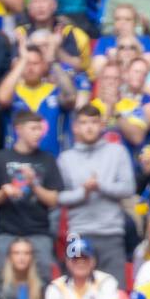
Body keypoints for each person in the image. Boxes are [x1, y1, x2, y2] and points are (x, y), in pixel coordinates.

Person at [0, 110, 63, 285]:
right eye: (33, 128)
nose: (39, 133)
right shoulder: (0, 158)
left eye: (40, 129)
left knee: (44, 275)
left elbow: (54, 200)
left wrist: (34, 184)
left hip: (39, 231)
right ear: (18, 129)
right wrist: (4, 192)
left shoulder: (48, 159)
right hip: (6, 231)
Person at [56, 104, 135, 282]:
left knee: (115, 291)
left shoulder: (117, 152)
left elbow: (128, 188)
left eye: (94, 122)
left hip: (112, 233)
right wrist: (83, 191)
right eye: (84, 123)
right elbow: (59, 197)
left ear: (102, 125)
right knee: (75, 290)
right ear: (75, 127)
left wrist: (100, 186)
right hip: (77, 233)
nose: (89, 127)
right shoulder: (65, 158)